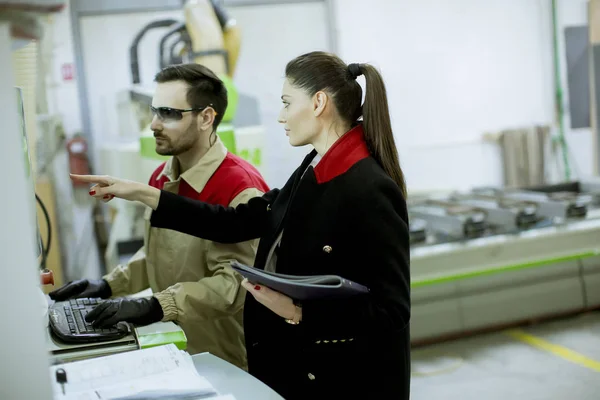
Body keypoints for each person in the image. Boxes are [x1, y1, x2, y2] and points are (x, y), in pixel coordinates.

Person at [72, 51, 411, 399]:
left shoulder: (369, 187)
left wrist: (298, 310)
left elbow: (392, 310)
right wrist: (144, 194)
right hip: (299, 368)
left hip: (347, 380)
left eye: (286, 102)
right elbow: (237, 223)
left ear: (319, 103)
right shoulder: (313, 167)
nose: (280, 116)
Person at [50, 63, 269, 370]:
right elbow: (160, 253)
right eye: (154, 111)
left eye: (168, 113)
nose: (153, 124)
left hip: (226, 358)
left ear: (206, 117)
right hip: (177, 348)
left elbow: (235, 285)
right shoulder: (161, 178)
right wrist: (108, 285)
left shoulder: (239, 188)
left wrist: (155, 305)